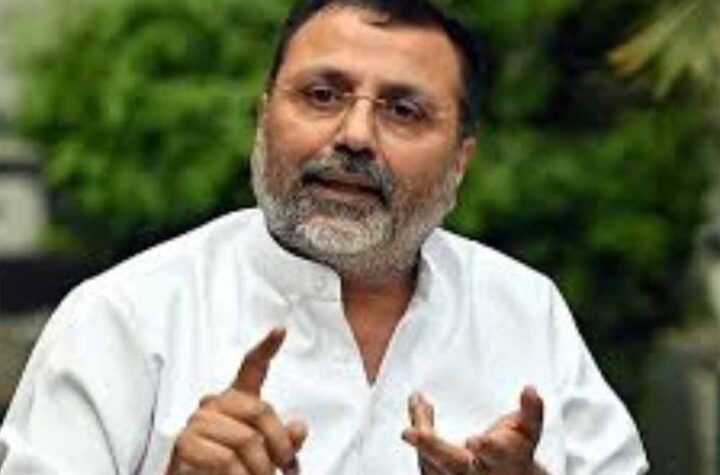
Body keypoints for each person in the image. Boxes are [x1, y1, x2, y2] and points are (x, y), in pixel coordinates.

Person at [0, 0, 649, 473]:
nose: (355, 135)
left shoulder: (526, 310)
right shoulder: (124, 317)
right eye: (321, 94)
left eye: (404, 110)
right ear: (263, 119)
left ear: (460, 160)